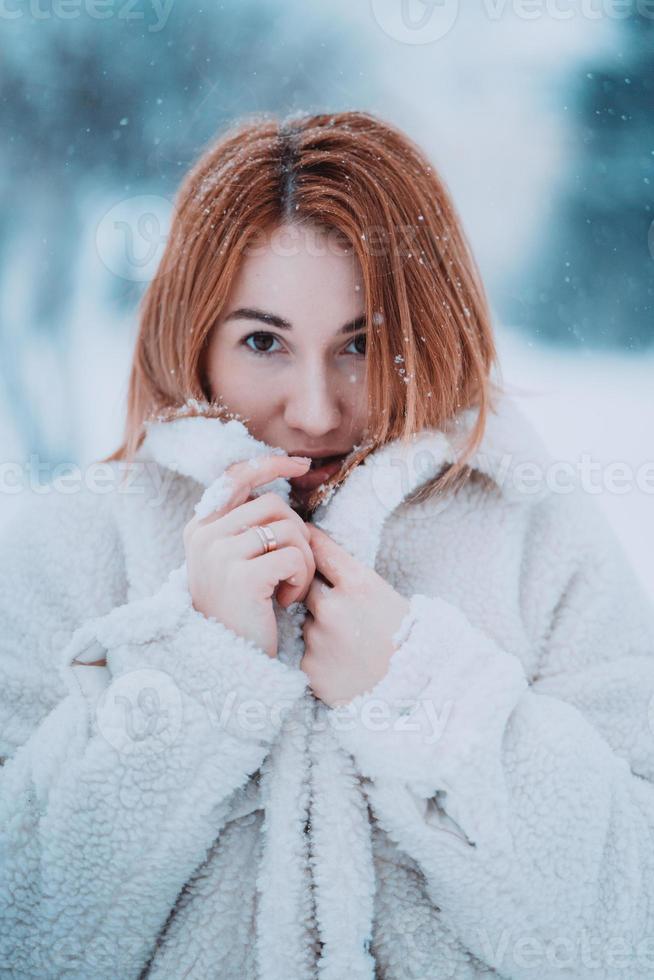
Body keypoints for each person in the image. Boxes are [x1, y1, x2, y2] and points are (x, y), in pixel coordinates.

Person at [1, 111, 654, 980]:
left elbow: (628, 930)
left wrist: (425, 694)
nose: (315, 411)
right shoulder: (65, 548)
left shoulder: (542, 541)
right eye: (263, 341)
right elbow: (25, 933)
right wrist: (193, 672)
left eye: (363, 344)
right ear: (192, 334)